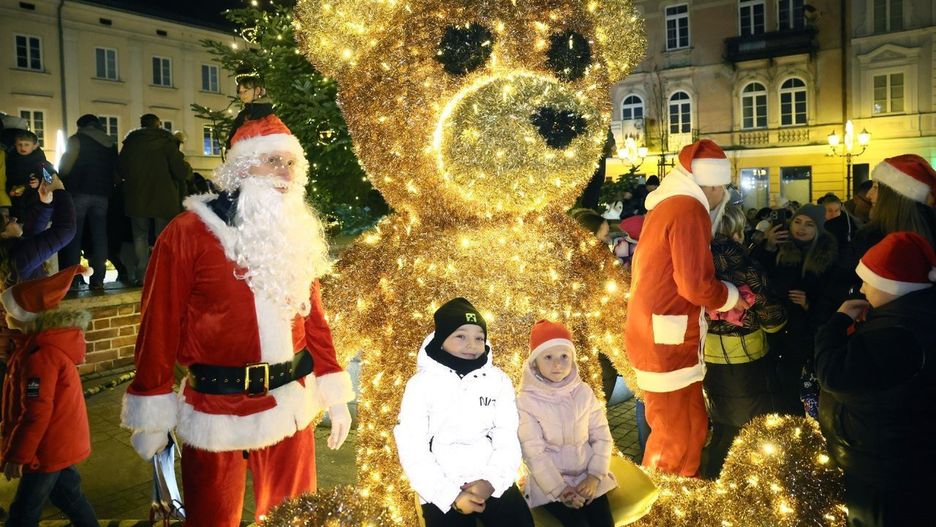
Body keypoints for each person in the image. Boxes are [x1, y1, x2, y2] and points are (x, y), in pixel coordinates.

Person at [120, 114, 354, 527]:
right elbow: (158, 324)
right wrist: (152, 406)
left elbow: (313, 317)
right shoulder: (188, 232)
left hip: (290, 405)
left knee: (295, 519)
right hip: (216, 411)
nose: (285, 172)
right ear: (241, 168)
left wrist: (334, 391)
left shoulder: (293, 232)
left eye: (291, 163)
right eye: (272, 161)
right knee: (213, 519)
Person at [624, 139, 748, 477]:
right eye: (723, 186)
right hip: (667, 343)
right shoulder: (687, 209)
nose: (724, 194)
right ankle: (662, 510)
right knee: (674, 439)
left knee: (690, 429)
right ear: (712, 182)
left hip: (667, 338)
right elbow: (694, 284)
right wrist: (731, 297)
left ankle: (680, 501)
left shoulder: (672, 206)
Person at [814, 231, 936, 527]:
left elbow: (835, 375)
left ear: (897, 286)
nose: (863, 289)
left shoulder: (897, 334)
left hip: (881, 467)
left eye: (871, 281)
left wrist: (837, 323)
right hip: (892, 459)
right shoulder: (909, 317)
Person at [394, 298, 534, 527]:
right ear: (441, 341)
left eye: (479, 337)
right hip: (442, 485)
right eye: (461, 336)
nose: (472, 344)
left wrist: (491, 482)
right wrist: (450, 495)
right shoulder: (421, 385)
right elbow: (412, 446)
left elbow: (507, 436)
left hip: (491, 478)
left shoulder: (498, 381)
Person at [0, 264, 99, 527]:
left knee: (23, 513)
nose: (4, 315)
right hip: (56, 442)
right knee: (70, 498)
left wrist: (17, 455)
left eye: (8, 310)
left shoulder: (40, 356)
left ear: (25, 316)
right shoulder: (35, 347)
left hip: (47, 447)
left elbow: (36, 411)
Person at [699, 204, 786, 479]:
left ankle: (715, 481)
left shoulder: (696, 259)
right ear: (736, 231)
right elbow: (769, 313)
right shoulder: (742, 262)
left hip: (708, 354)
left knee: (722, 424)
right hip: (747, 357)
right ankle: (744, 486)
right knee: (749, 428)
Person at [517, 320, 617, 527]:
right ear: (534, 362)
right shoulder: (526, 401)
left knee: (603, 521)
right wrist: (560, 490)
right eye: (548, 357)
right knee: (577, 523)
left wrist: (595, 476)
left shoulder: (584, 392)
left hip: (587, 476)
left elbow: (602, 436)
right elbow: (534, 453)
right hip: (550, 485)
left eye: (564, 356)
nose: (557, 364)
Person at [753, 204, 838, 417]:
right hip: (776, 330)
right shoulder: (781, 248)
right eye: (798, 222)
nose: (802, 228)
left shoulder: (827, 256)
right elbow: (758, 276)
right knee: (778, 388)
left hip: (806, 336)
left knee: (800, 392)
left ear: (818, 229)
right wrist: (768, 246)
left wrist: (809, 304)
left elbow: (832, 298)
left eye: (809, 224)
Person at [117, 113, 192, 283]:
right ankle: (162, 274)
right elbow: (180, 171)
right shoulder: (167, 143)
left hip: (137, 197)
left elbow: (120, 169)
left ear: (141, 125)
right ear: (158, 125)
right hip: (164, 198)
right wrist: (187, 169)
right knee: (163, 236)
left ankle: (142, 275)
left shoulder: (131, 144)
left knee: (139, 236)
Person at [58, 115, 118, 290]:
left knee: (74, 237)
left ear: (80, 126)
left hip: (78, 192)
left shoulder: (76, 139)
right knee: (100, 237)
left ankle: (73, 280)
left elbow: (65, 168)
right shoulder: (110, 143)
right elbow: (115, 170)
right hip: (102, 194)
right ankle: (98, 279)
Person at [5, 131, 52, 223]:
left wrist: (39, 182)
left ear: (34, 146)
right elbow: (6, 177)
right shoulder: (10, 159)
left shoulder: (41, 160)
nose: (23, 147)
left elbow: (49, 178)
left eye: (26, 144)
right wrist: (10, 190)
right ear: (15, 145)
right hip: (15, 202)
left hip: (34, 201)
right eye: (20, 144)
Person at [226, 68, 275, 150]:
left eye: (245, 91)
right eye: (240, 92)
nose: (242, 95)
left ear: (257, 90)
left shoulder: (265, 112)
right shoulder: (242, 115)